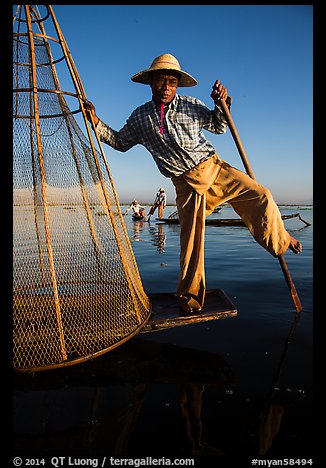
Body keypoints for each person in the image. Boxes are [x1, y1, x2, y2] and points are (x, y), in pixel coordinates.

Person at [84, 53, 302, 315]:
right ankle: (190, 298)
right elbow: (119, 142)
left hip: (213, 169)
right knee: (191, 245)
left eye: (172, 81)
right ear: (151, 82)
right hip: (185, 185)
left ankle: (281, 238)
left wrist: (221, 104)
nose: (166, 87)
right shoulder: (140, 118)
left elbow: (219, 127)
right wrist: (95, 122)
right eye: (161, 80)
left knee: (261, 196)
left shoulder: (190, 105)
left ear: (177, 85)